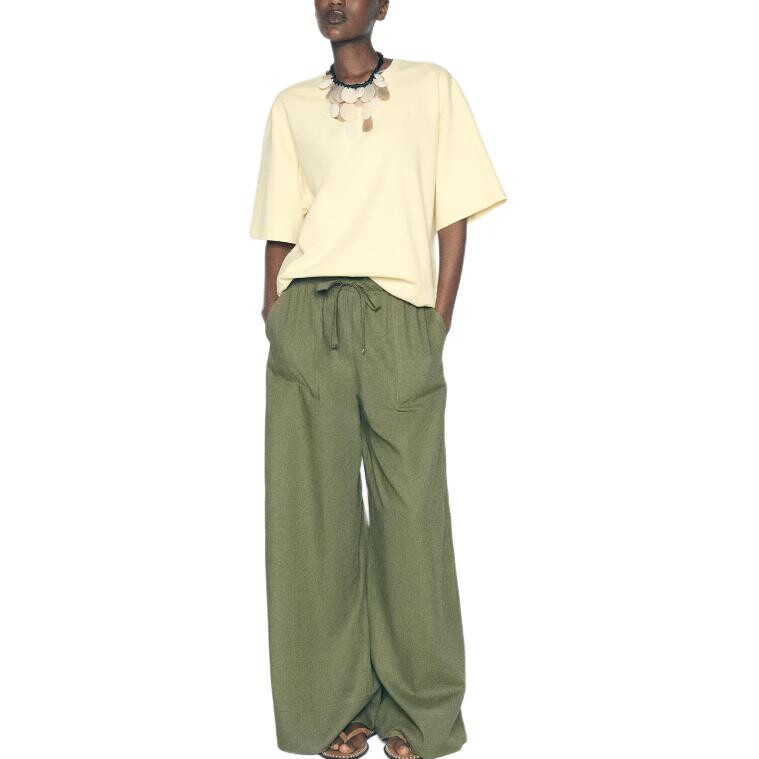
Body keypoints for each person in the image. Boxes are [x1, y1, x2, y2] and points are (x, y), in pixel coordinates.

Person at [249, 2, 507, 758]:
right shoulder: (291, 106)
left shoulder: (431, 87)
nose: (333, 3)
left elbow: (453, 214)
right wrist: (274, 314)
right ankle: (330, 711)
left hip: (398, 319)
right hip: (309, 319)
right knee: (310, 521)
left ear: (383, 4)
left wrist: (436, 319)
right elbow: (280, 225)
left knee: (412, 518)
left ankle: (420, 716)